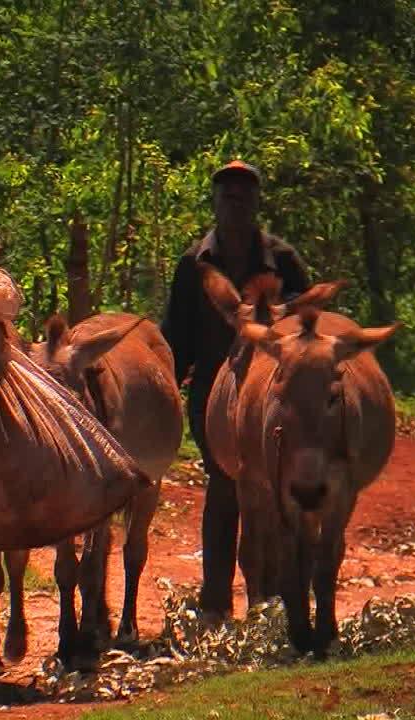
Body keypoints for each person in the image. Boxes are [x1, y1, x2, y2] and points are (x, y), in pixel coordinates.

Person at [159, 159, 311, 621]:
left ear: (256, 204)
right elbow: (176, 334)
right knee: (225, 487)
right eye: (227, 198)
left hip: (276, 397)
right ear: (216, 204)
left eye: (244, 198)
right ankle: (216, 599)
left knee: (282, 494)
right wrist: (167, 387)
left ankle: (279, 599)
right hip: (215, 397)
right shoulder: (194, 265)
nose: (236, 206)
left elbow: (308, 326)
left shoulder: (284, 261)